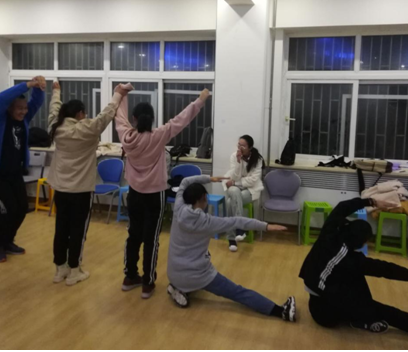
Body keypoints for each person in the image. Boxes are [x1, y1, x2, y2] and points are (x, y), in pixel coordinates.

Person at [299, 197, 408, 347]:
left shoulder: (329, 233)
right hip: (328, 317)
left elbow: (342, 207)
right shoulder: (354, 261)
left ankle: (359, 319)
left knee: (355, 284)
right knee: (387, 312)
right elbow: (387, 269)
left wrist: (371, 201)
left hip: (316, 305)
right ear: (360, 243)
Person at [115, 83, 209, 299]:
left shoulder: (126, 136)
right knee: (151, 239)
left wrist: (121, 94)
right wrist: (200, 100)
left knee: (133, 235)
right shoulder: (159, 135)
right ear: (152, 119)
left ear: (134, 119)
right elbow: (182, 119)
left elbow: (119, 117)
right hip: (154, 195)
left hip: (134, 193)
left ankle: (130, 277)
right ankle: (147, 284)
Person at [166, 174, 296, 321]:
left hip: (173, 272)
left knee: (204, 255)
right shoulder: (207, 222)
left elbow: (184, 181)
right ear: (203, 198)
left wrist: (209, 178)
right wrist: (266, 226)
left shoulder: (179, 206)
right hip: (197, 275)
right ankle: (282, 311)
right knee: (237, 292)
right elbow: (237, 221)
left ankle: (179, 288)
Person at [48, 81, 126, 286]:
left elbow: (54, 109)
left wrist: (56, 91)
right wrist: (118, 94)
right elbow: (106, 115)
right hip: (81, 191)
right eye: (84, 113)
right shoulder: (87, 129)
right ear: (80, 113)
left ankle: (60, 269)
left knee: (61, 228)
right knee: (78, 231)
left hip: (61, 189)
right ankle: (74, 271)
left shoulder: (56, 127)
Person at [0, 77, 46, 263]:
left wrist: (39, 88)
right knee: (5, 209)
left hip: (13, 174)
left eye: (25, 108)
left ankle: (8, 241)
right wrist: (27, 85)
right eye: (19, 108)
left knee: (22, 208)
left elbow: (36, 102)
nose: (24, 111)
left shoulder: (24, 120)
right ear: (9, 108)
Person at [223, 135, 265, 252]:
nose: (240, 147)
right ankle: (240, 229)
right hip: (235, 187)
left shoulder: (258, 159)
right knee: (234, 192)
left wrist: (235, 183)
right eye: (239, 144)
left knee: (230, 202)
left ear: (250, 147)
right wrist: (238, 161)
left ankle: (232, 238)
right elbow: (234, 176)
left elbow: (253, 180)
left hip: (251, 189)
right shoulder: (234, 156)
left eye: (243, 146)